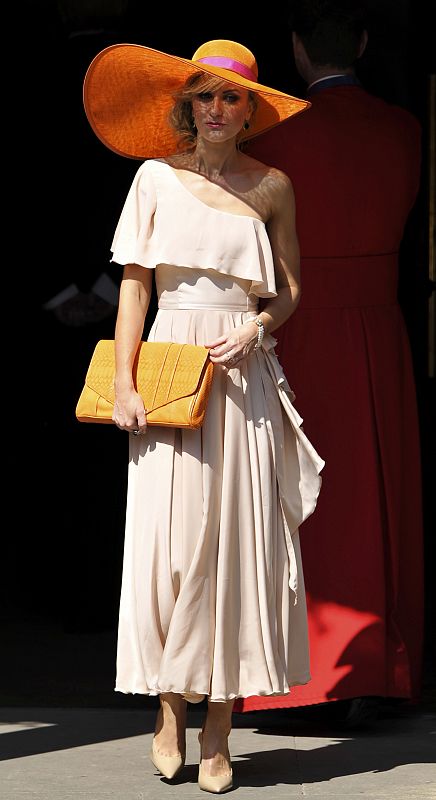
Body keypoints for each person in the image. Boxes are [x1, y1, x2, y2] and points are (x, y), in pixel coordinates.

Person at [82, 38, 324, 792]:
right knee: (172, 543)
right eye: (205, 95)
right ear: (186, 106)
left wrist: (258, 325)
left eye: (233, 97)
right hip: (168, 370)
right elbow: (134, 288)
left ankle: (219, 724)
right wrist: (124, 382)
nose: (218, 109)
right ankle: (167, 707)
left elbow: (288, 289)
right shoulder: (153, 179)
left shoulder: (273, 185)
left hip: (241, 373)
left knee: (234, 545)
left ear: (251, 110)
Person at [240, 0, 424, 724]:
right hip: (379, 329)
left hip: (299, 325)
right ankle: (378, 665)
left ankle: (303, 674)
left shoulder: (279, 133)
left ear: (296, 49)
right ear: (365, 43)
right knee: (374, 492)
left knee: (301, 498)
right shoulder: (402, 128)